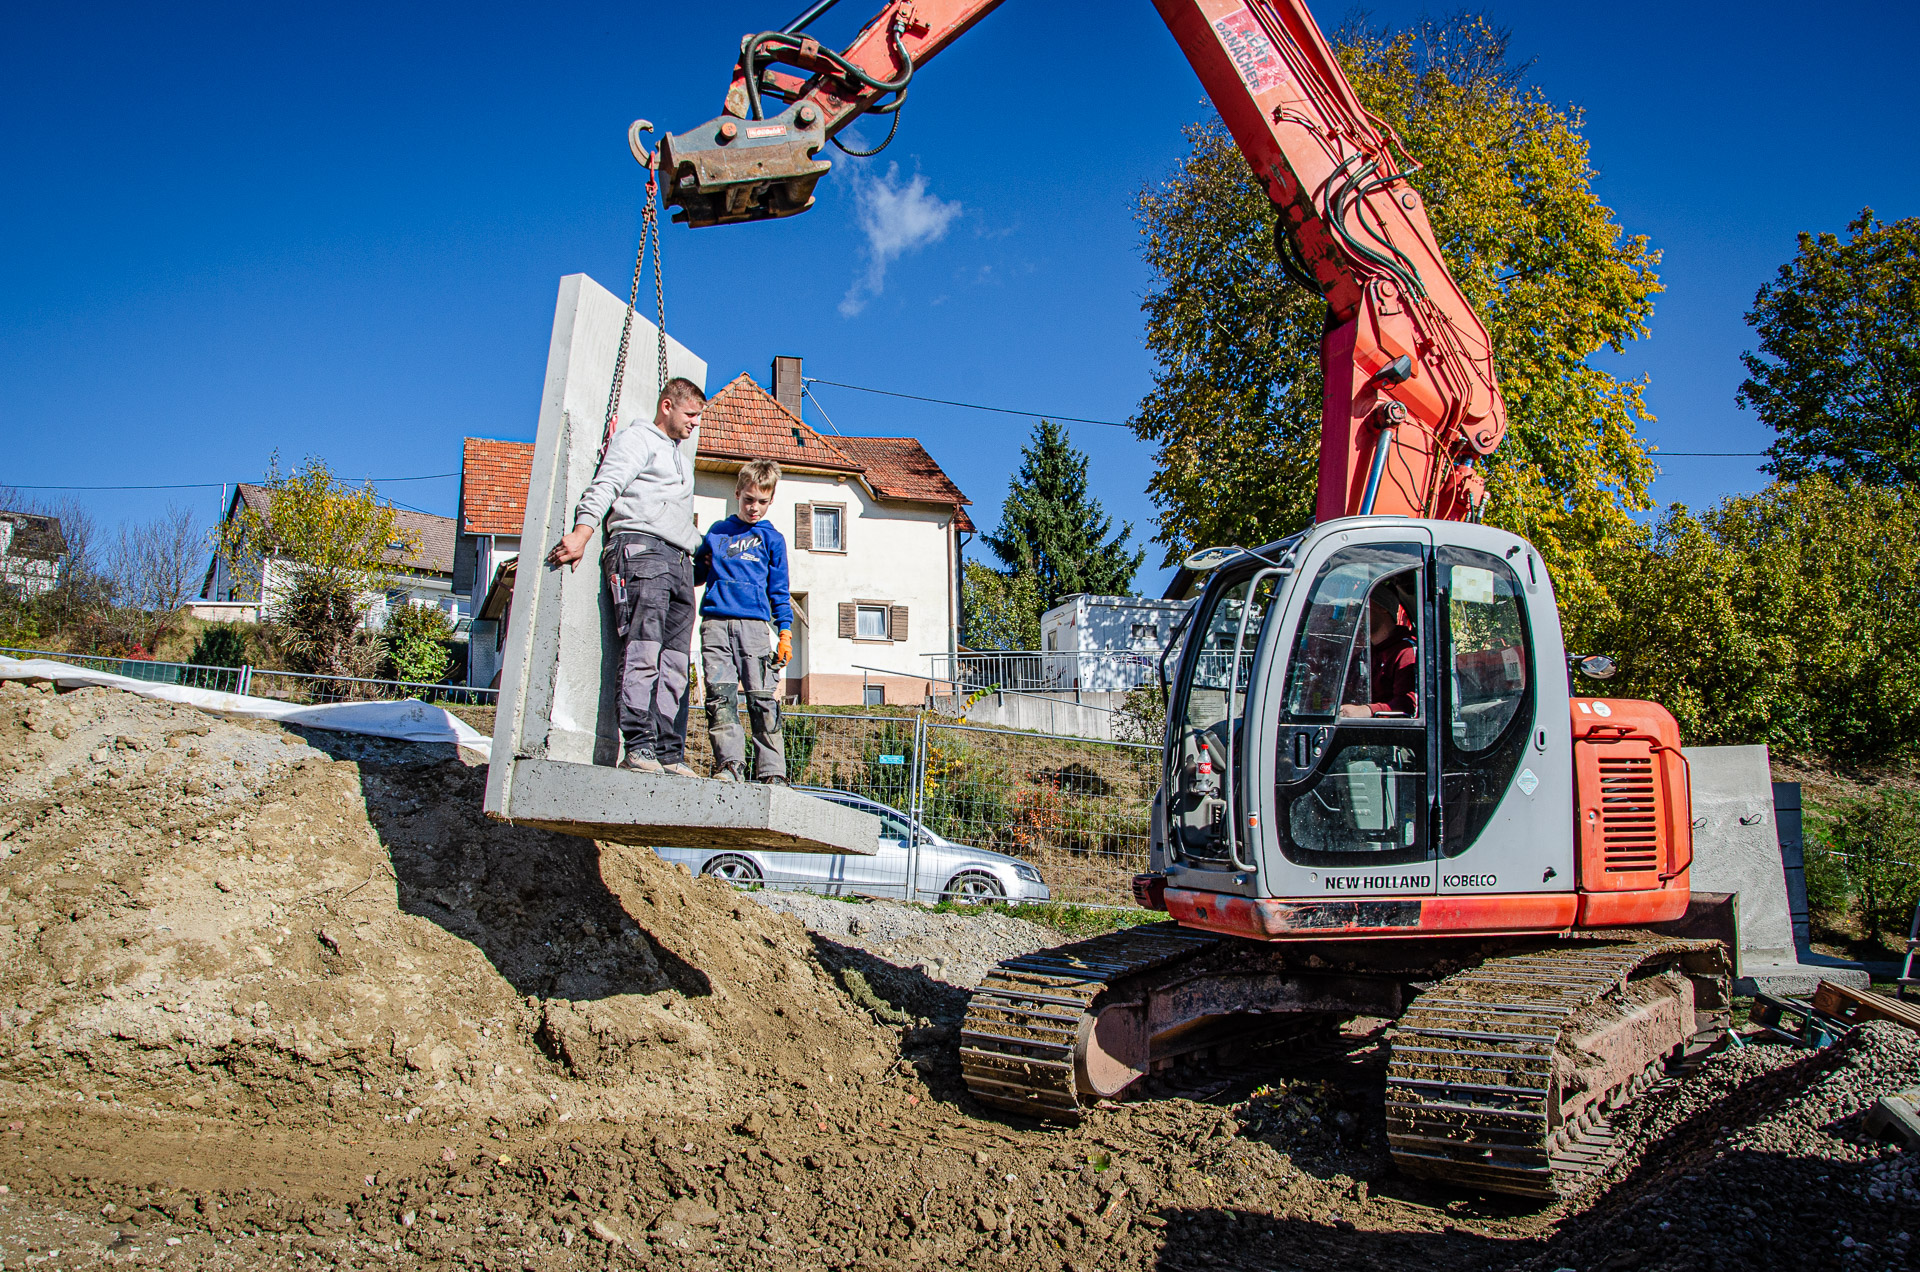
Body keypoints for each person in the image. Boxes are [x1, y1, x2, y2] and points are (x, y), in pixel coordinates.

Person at [546, 377, 706, 776]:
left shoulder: (682, 461)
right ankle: (638, 746)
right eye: (690, 415)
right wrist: (583, 532)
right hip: (641, 550)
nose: (694, 425)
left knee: (674, 663)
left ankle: (669, 752)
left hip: (678, 560)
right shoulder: (637, 440)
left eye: (698, 418)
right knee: (644, 650)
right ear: (667, 406)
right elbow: (607, 484)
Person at [695, 459, 793, 784]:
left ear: (771, 500)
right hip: (716, 624)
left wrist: (785, 632)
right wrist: (695, 554)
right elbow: (697, 574)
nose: (754, 508)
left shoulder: (772, 539)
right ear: (737, 493)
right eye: (748, 499)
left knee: (763, 699)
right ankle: (730, 765)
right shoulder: (718, 533)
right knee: (720, 696)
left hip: (754, 628)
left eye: (762, 501)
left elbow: (779, 590)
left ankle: (772, 772)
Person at [1341, 574, 1418, 718]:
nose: (1357, 615)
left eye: (1363, 606)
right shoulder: (1364, 655)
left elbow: (1407, 706)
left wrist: (1366, 711)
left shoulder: (1405, 652)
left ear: (1383, 608)